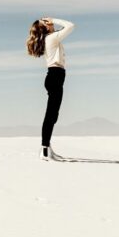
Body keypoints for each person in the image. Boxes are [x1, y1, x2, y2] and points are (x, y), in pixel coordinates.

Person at [26, 16, 76, 161]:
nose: (49, 23)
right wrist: (54, 19)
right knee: (51, 115)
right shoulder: (51, 38)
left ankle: (47, 148)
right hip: (55, 76)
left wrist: (50, 24)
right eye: (46, 22)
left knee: (53, 115)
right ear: (45, 27)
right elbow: (71, 25)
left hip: (55, 77)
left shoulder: (50, 38)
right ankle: (44, 150)